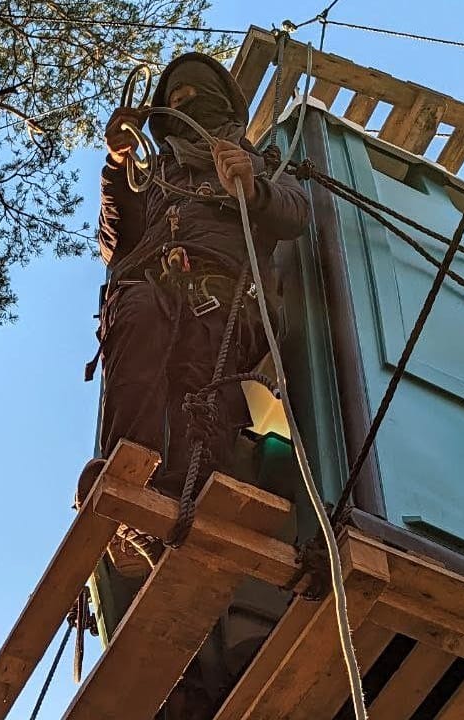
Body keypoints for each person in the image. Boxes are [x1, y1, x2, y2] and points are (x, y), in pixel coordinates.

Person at [78, 52, 312, 720]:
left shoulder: (254, 161)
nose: (187, 101)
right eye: (177, 95)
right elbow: (117, 245)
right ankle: (134, 502)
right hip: (156, 287)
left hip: (223, 303)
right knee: (141, 326)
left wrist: (254, 186)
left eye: (198, 94)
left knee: (203, 410)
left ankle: (175, 533)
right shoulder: (153, 173)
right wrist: (117, 168)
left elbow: (294, 215)